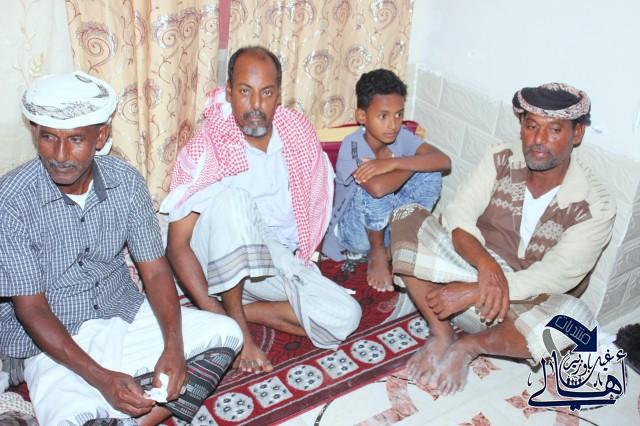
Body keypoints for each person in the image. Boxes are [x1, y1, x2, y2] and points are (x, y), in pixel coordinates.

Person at [0, 71, 243, 425]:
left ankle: (126, 412)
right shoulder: (12, 200)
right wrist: (101, 379)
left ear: (100, 136)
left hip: (123, 313)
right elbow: (31, 309)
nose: (60, 155)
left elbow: (155, 270)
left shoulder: (126, 182)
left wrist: (173, 347)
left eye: (75, 140)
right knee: (68, 419)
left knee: (228, 335)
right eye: (48, 137)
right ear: (35, 133)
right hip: (53, 339)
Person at [390, 83, 615, 394]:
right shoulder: (500, 158)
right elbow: (459, 215)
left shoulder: (595, 204)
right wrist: (487, 268)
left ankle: (467, 347)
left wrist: (476, 291)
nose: (539, 140)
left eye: (554, 130)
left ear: (577, 134)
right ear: (521, 125)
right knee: (406, 216)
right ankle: (441, 334)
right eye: (531, 126)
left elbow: (559, 274)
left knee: (573, 319)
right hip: (469, 274)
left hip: (520, 305)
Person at [161, 46, 362, 374]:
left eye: (266, 93)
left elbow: (312, 204)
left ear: (278, 96)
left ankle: (233, 308)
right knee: (234, 201)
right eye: (245, 92)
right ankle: (237, 328)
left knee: (345, 316)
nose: (255, 105)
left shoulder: (295, 133)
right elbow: (177, 244)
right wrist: (233, 329)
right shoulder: (209, 146)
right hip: (217, 257)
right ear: (229, 92)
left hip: (272, 261)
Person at [322, 69, 450, 291]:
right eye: (383, 116)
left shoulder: (401, 137)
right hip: (354, 233)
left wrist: (393, 163)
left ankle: (402, 241)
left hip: (390, 226)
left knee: (431, 172)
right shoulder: (353, 145)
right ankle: (378, 253)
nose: (393, 125)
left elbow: (444, 161)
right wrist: (410, 164)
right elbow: (377, 190)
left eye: (398, 115)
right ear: (362, 117)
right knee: (375, 185)